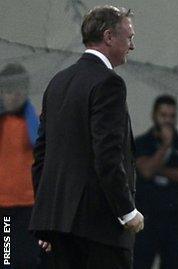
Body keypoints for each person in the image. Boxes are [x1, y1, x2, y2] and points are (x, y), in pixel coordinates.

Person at [29, 5, 143, 269]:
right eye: (129, 38)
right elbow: (107, 156)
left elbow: (41, 155)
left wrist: (48, 218)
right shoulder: (109, 83)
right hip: (98, 228)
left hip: (58, 229)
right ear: (108, 37)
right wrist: (127, 212)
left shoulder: (58, 82)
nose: (132, 46)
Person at [133, 95, 178, 269]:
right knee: (140, 261)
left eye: (172, 116)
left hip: (174, 218)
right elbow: (145, 170)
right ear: (154, 115)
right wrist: (165, 146)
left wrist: (160, 169)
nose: (168, 120)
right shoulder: (141, 142)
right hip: (146, 217)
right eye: (163, 115)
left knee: (174, 263)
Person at [0, 63, 42, 268]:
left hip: (28, 206)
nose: (14, 96)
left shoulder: (31, 118)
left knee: (27, 259)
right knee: (6, 259)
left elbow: (39, 142)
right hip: (4, 207)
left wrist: (28, 111)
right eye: (9, 91)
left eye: (19, 90)